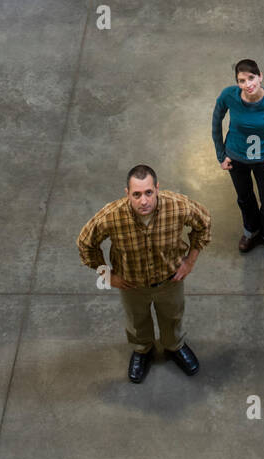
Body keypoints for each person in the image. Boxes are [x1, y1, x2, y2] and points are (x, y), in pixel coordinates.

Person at [77, 165, 212, 384]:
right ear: (127, 193)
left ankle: (173, 345)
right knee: (137, 319)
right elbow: (85, 243)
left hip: (170, 280)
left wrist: (190, 261)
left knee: (172, 316)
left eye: (149, 192)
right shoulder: (112, 216)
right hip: (132, 284)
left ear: (157, 188)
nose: (144, 201)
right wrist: (107, 275)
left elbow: (204, 223)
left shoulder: (177, 206)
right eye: (136, 194)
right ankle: (142, 349)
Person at [212, 58, 264, 256]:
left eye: (251, 78)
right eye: (241, 80)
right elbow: (216, 123)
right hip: (236, 158)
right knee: (245, 198)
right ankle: (250, 230)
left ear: (260, 76)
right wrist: (221, 155)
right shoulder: (228, 96)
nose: (248, 84)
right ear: (237, 82)